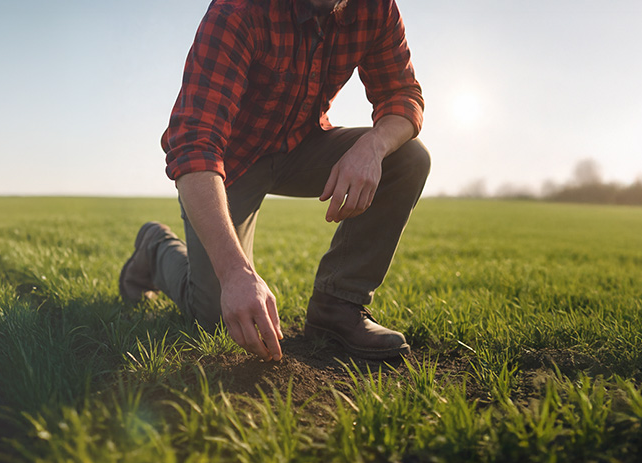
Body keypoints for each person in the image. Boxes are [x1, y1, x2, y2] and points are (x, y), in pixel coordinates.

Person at [119, 0, 430, 361]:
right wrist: (235, 273)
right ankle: (154, 247)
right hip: (231, 163)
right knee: (216, 315)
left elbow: (403, 94)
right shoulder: (238, 12)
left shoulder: (374, 8)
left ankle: (337, 306)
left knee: (408, 157)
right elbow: (194, 146)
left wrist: (373, 146)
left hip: (301, 144)